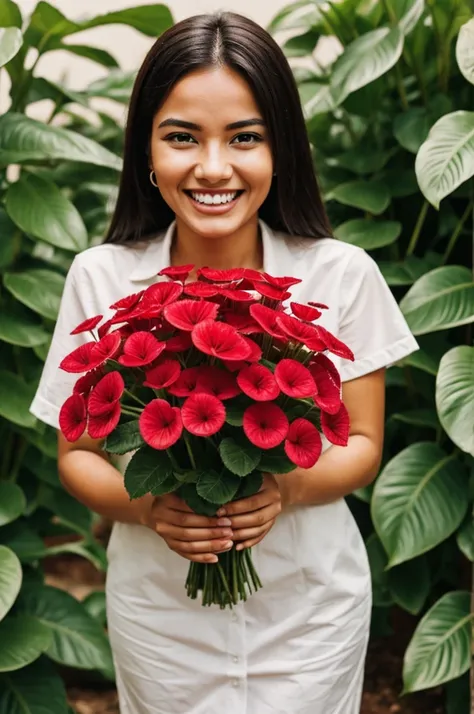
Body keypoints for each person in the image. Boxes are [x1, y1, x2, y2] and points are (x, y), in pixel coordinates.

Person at [30, 11, 419, 714]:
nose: (213, 167)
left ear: (283, 151)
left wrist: (287, 490)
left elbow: (363, 443)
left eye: (245, 137)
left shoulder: (340, 274)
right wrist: (150, 507)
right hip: (162, 615)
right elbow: (77, 452)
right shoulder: (102, 277)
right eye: (182, 137)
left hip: (310, 608)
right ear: (146, 150)